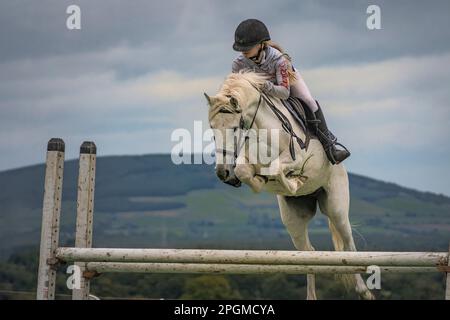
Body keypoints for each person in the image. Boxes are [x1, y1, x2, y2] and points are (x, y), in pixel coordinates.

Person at [231, 18, 350, 165]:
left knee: (308, 101)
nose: (243, 51)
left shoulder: (278, 59)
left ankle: (329, 145)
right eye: (241, 48)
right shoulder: (238, 64)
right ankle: (234, 157)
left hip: (286, 83)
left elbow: (284, 93)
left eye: (248, 47)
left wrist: (265, 86)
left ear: (261, 45)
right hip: (262, 92)